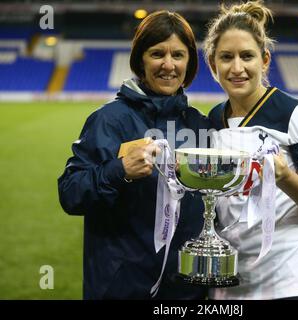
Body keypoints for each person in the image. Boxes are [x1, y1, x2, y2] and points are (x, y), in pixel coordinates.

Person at [58, 10, 209, 300]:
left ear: (189, 63)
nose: (168, 65)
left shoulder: (199, 124)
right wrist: (120, 170)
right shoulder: (110, 120)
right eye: (157, 54)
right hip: (122, 289)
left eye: (178, 55)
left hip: (186, 292)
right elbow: (70, 193)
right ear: (140, 59)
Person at [203, 0, 298, 300]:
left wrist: (284, 176)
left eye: (247, 56)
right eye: (226, 57)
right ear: (213, 65)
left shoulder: (296, 114)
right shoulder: (212, 121)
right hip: (230, 287)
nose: (237, 68)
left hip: (290, 283)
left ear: (264, 60)